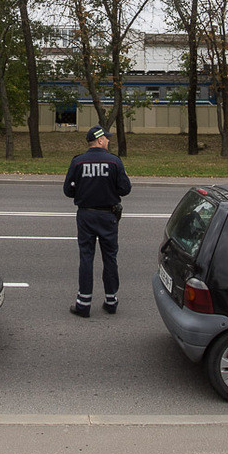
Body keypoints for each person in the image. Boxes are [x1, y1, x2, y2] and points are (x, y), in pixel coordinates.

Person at [63, 125, 131, 316]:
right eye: (107, 139)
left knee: (86, 257)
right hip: (108, 216)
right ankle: (111, 301)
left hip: (86, 215)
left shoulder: (78, 162)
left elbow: (68, 191)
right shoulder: (114, 162)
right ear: (100, 140)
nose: (109, 141)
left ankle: (83, 304)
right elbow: (125, 189)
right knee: (110, 258)